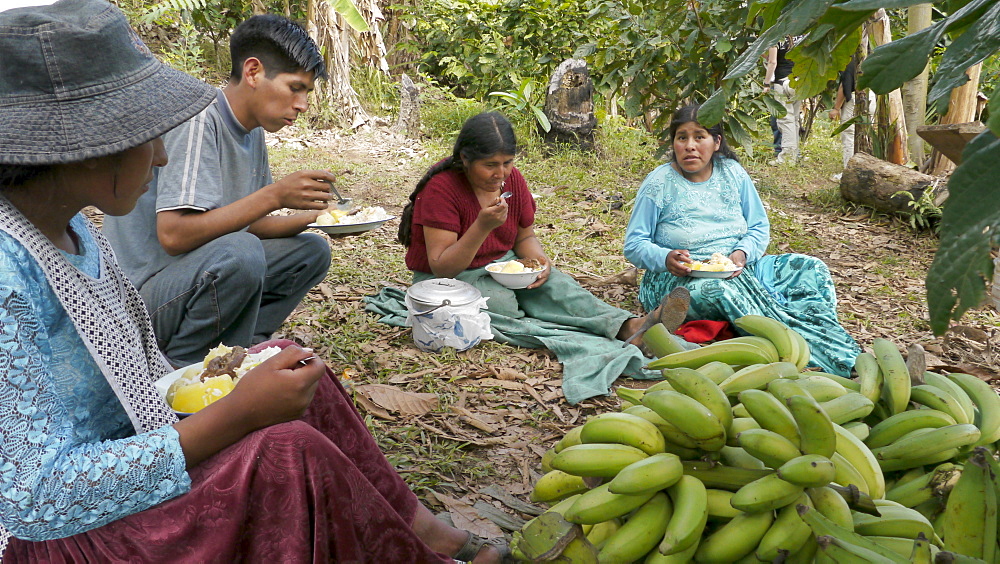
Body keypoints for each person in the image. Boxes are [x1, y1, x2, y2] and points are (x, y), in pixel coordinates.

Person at [0, 2, 509, 562]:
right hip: (65, 537)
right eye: (147, 135)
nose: (163, 153)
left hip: (136, 432)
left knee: (287, 362)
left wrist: (234, 384)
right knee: (284, 446)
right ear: (84, 141)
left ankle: (418, 528)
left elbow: (137, 371)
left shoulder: (70, 228)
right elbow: (36, 499)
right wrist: (236, 413)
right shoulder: (7, 278)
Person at [365, 112, 691, 404]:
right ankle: (582, 338)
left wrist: (539, 264)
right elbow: (442, 265)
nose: (500, 173)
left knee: (560, 287)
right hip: (448, 280)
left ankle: (628, 326)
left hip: (500, 264)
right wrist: (481, 226)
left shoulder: (513, 182)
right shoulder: (442, 189)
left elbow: (525, 237)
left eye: (507, 162)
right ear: (465, 159)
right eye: (490, 165)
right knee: (503, 305)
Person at [104, 14, 337, 368]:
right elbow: (174, 234)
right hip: (142, 297)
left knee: (311, 251)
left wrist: (319, 218)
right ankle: (178, 366)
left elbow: (244, 223)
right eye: (295, 88)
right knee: (241, 254)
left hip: (196, 273)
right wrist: (274, 195)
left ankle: (243, 350)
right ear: (254, 72)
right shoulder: (199, 118)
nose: (303, 104)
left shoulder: (253, 129)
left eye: (307, 92)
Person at [623, 103, 862, 376]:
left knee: (811, 269)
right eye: (682, 137)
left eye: (699, 136)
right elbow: (634, 244)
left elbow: (759, 226)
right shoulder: (659, 182)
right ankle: (811, 359)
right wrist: (665, 258)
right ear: (674, 143)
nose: (690, 145)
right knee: (721, 291)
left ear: (716, 142)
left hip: (739, 267)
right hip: (679, 280)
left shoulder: (733, 173)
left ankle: (826, 339)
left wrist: (741, 254)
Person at [763, 35, 802, 166]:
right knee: (795, 119)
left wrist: (766, 83)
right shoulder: (800, 35)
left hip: (783, 82)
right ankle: (795, 154)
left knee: (785, 120)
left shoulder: (776, 38)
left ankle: (787, 158)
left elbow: (772, 61)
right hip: (798, 81)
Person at [829, 58, 858, 180]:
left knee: (849, 134)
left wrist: (836, 108)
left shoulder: (849, 60)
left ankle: (848, 172)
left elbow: (844, 86)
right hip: (871, 97)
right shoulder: (870, 55)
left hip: (854, 99)